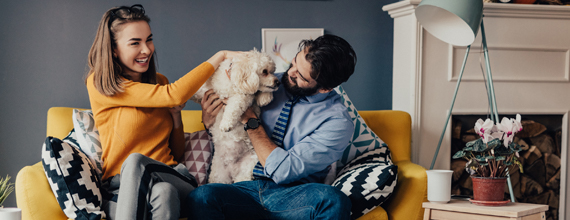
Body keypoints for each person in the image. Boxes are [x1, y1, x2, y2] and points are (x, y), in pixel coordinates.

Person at [85, 4, 239, 220]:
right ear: (113, 49)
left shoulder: (160, 83)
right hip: (121, 186)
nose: (146, 49)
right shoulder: (101, 85)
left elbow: (175, 155)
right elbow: (175, 95)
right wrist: (220, 56)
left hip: (173, 176)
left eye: (148, 39)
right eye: (135, 43)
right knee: (162, 192)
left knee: (142, 165)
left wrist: (176, 118)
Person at [188, 34, 358, 219]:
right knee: (202, 197)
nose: (290, 73)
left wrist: (250, 120)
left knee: (334, 200)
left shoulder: (337, 122)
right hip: (243, 188)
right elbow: (226, 129)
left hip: (294, 194)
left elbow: (284, 172)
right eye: (293, 63)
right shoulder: (266, 81)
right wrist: (210, 121)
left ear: (325, 87)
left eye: (300, 76)